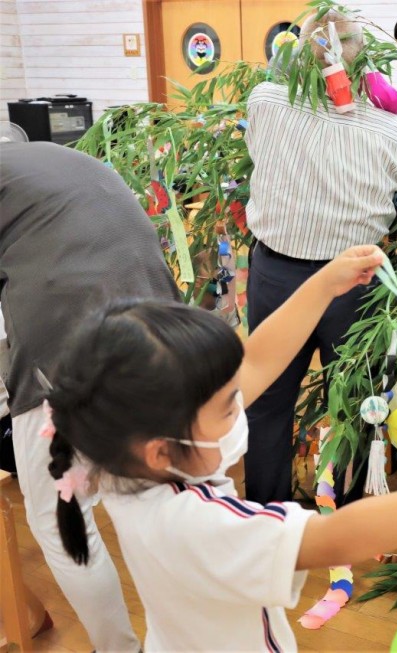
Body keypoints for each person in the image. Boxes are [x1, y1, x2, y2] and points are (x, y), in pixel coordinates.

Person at [43, 245, 397, 651]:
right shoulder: (198, 523)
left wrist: (325, 283)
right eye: (226, 407)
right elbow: (337, 537)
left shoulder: (117, 457)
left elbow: (258, 361)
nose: (239, 407)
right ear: (162, 449)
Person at [243, 9, 397, 504]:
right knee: (352, 403)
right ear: (364, 63)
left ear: (296, 54)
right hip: (353, 284)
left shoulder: (265, 101)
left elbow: (254, 149)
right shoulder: (393, 134)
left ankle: (267, 511)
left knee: (266, 399)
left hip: (274, 274)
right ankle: (346, 513)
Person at [0, 141, 181, 651]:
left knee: (59, 519)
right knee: (143, 493)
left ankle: (118, 648)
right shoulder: (40, 158)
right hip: (157, 322)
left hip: (71, 336)